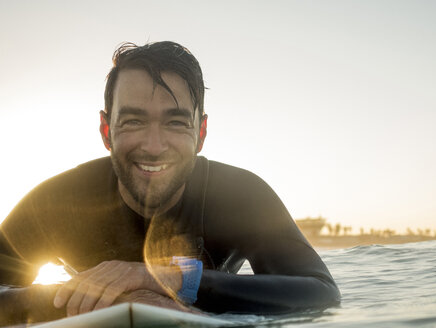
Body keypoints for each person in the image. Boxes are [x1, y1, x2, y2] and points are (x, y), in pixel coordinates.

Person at [0, 41, 340, 324]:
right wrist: (88, 302)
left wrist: (170, 280)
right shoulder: (56, 202)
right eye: (133, 121)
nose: (153, 146)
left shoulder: (240, 196)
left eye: (176, 123)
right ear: (106, 131)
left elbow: (321, 291)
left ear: (201, 134)